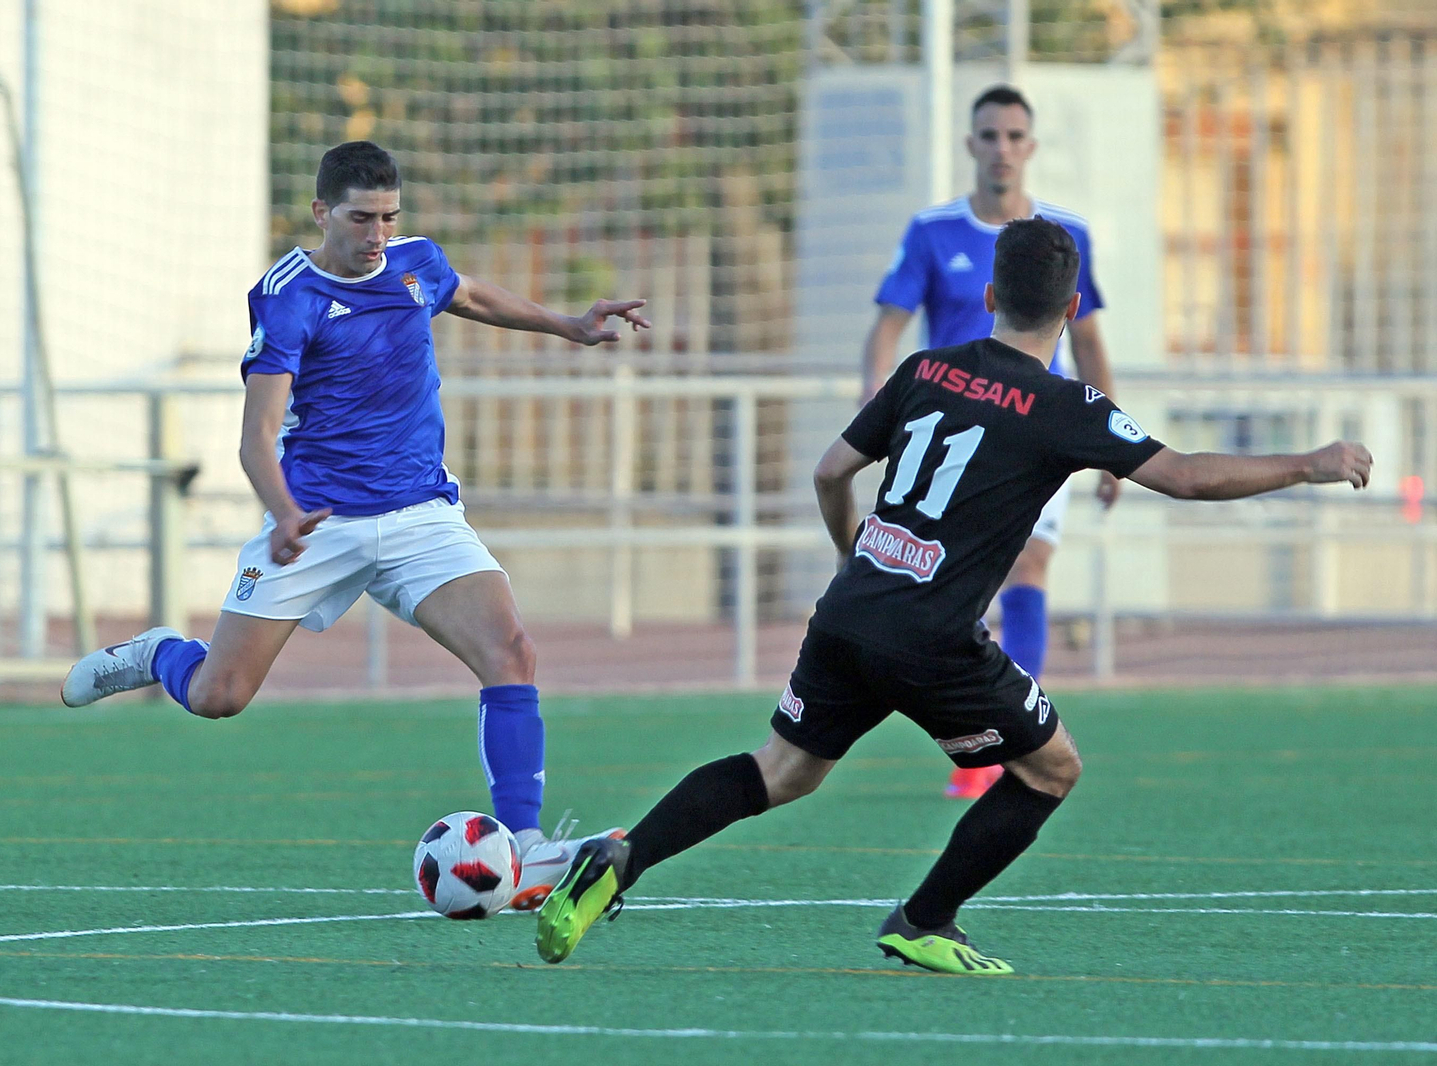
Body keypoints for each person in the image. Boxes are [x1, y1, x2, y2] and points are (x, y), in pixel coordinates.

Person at [533, 218, 1372, 973]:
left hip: (853, 609)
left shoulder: (927, 367)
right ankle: (926, 918)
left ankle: (623, 857)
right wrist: (1310, 463)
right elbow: (1184, 478)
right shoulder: (1068, 406)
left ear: (989, 293)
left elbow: (830, 471)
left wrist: (849, 555)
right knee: (1051, 769)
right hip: (934, 638)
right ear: (1073, 306)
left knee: (782, 768)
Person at [61, 141, 649, 910]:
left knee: (512, 652)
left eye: (389, 217)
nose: (377, 233)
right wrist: (281, 514)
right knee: (220, 696)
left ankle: (526, 846)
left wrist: (569, 326)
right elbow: (256, 433)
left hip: (419, 515)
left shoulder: (416, 263)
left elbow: (470, 295)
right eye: (361, 218)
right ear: (320, 214)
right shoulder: (287, 295)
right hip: (317, 523)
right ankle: (160, 653)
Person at [863, 84, 1118, 799]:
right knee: (953, 596)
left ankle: (1006, 746)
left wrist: (1107, 436)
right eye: (989, 136)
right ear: (971, 145)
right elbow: (886, 329)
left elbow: (1092, 339)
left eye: (1014, 136)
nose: (1001, 149)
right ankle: (975, 730)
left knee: (1031, 569)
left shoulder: (1065, 233)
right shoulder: (933, 231)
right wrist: (877, 405)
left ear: (1029, 147)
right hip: (952, 443)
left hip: (1038, 435)